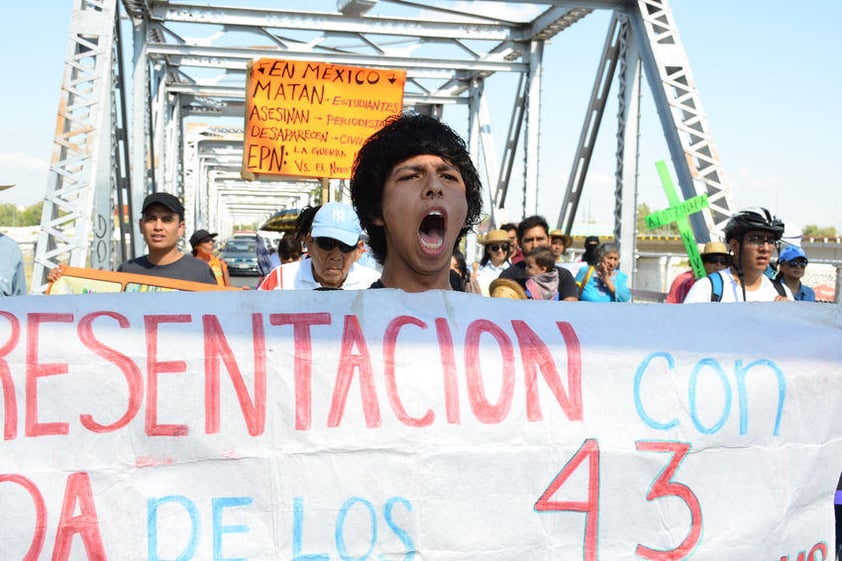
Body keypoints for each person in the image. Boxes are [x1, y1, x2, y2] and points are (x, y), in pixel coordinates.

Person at [350, 113, 483, 292]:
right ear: (376, 210)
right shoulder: (338, 316)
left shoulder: (499, 318)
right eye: (411, 177)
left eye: (448, 177)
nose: (435, 186)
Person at [257, 201, 379, 290]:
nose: (335, 256)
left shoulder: (374, 287)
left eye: (345, 246)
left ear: (358, 250)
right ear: (309, 243)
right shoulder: (280, 281)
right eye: (327, 244)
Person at [684, 207, 792, 303]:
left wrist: (787, 314)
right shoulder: (706, 289)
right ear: (735, 246)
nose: (765, 248)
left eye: (771, 241)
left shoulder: (782, 292)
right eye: (755, 239)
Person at [497, 215, 578, 301]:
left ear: (549, 240)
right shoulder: (508, 277)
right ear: (519, 243)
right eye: (529, 240)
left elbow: (570, 308)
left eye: (540, 239)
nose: (535, 245)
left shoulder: (563, 276)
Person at [665, 241, 731, 303]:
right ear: (703, 262)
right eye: (713, 260)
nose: (718, 264)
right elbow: (672, 306)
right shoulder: (683, 280)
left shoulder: (731, 282)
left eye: (723, 261)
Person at [474, 229, 511, 296]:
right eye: (495, 247)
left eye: (504, 247)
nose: (500, 251)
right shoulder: (476, 269)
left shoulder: (514, 271)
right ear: (488, 250)